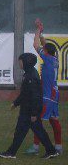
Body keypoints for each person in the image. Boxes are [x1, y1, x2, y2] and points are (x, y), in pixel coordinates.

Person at [0, 53, 60, 159]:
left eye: (20, 61)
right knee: (36, 131)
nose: (19, 63)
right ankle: (51, 151)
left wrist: (34, 113)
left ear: (26, 62)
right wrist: (16, 103)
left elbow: (35, 96)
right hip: (28, 109)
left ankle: (11, 153)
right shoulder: (28, 74)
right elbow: (25, 93)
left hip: (29, 110)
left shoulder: (31, 76)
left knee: (22, 131)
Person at [27, 20, 64, 154]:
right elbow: (43, 44)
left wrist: (38, 29)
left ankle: (36, 147)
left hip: (47, 95)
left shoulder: (47, 58)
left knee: (36, 120)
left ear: (46, 52)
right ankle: (59, 147)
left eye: (45, 49)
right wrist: (42, 33)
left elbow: (35, 45)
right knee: (54, 120)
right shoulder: (54, 59)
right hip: (55, 94)